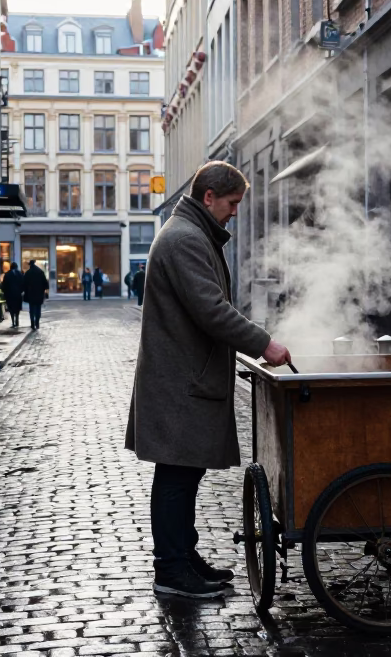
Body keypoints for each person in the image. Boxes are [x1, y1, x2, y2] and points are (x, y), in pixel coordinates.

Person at [126, 160, 291, 599]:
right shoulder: (184, 239)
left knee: (184, 474)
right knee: (177, 477)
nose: (235, 212)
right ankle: (172, 571)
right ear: (209, 198)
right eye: (232, 203)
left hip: (182, 379)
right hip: (180, 382)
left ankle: (184, 557)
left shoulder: (190, 233)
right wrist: (264, 344)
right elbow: (211, 310)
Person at [23, 259, 49, 330]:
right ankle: (37, 322)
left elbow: (24, 284)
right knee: (38, 309)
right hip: (39, 294)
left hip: (31, 294)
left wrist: (25, 291)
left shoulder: (28, 273)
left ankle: (32, 323)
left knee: (32, 309)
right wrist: (44, 291)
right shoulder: (40, 272)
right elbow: (45, 284)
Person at [0, 262, 24, 329]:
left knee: (11, 309)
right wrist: (21, 291)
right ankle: (17, 320)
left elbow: (4, 285)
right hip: (18, 295)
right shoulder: (20, 274)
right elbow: (23, 283)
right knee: (17, 308)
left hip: (9, 294)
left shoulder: (7, 274)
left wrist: (4, 293)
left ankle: (13, 322)